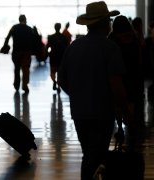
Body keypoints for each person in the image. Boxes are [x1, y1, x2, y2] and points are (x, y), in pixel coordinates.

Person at [57, 2, 133, 179]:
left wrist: (77, 94)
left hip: (79, 113)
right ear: (105, 24)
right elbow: (116, 83)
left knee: (90, 155)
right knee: (96, 157)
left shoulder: (73, 47)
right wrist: (126, 110)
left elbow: (61, 79)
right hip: (102, 113)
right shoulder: (110, 48)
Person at [3, 14, 34, 93]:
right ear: (25, 19)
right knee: (25, 69)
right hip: (26, 52)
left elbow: (7, 37)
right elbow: (33, 41)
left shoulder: (14, 27)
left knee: (17, 68)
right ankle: (25, 86)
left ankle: (16, 85)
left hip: (16, 52)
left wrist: (5, 46)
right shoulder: (29, 29)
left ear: (19, 19)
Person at [46, 23, 68, 93]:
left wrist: (48, 54)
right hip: (61, 57)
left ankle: (54, 81)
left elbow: (47, 47)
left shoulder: (51, 37)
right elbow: (67, 48)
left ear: (54, 28)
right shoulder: (64, 37)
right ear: (60, 27)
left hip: (53, 57)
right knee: (59, 73)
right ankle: (58, 87)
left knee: (52, 72)